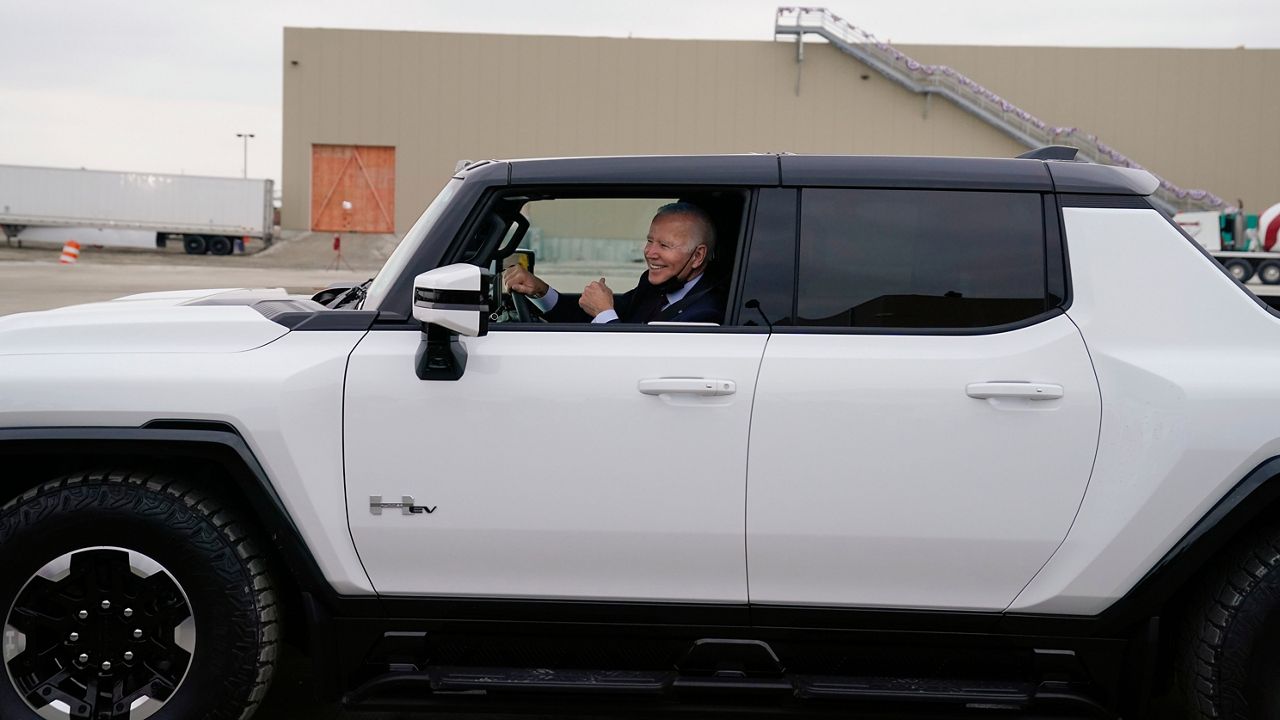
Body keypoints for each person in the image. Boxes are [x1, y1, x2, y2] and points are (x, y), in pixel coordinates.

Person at [503, 202, 725, 324]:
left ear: (697, 256)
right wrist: (540, 291)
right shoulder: (653, 288)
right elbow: (585, 316)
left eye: (664, 246)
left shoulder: (706, 313)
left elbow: (635, 365)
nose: (650, 252)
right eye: (649, 241)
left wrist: (604, 314)